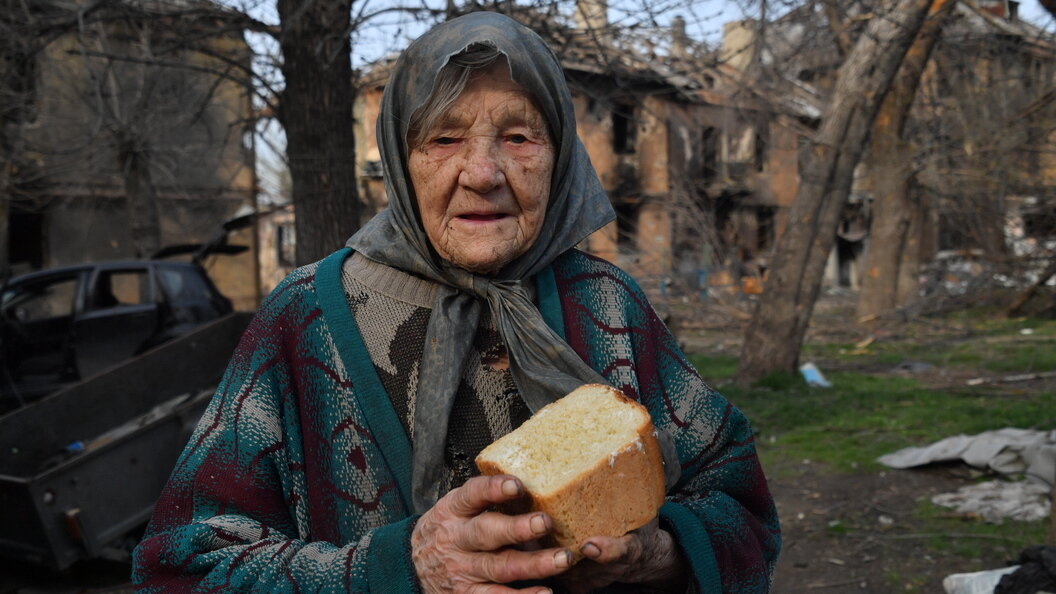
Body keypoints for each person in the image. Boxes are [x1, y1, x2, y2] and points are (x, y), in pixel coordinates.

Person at [132, 11, 780, 593]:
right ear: (400, 159)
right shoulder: (305, 320)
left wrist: (659, 554)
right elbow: (178, 569)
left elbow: (740, 504)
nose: (483, 172)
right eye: (443, 139)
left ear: (560, 155)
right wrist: (399, 568)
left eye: (520, 137)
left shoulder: (608, 304)